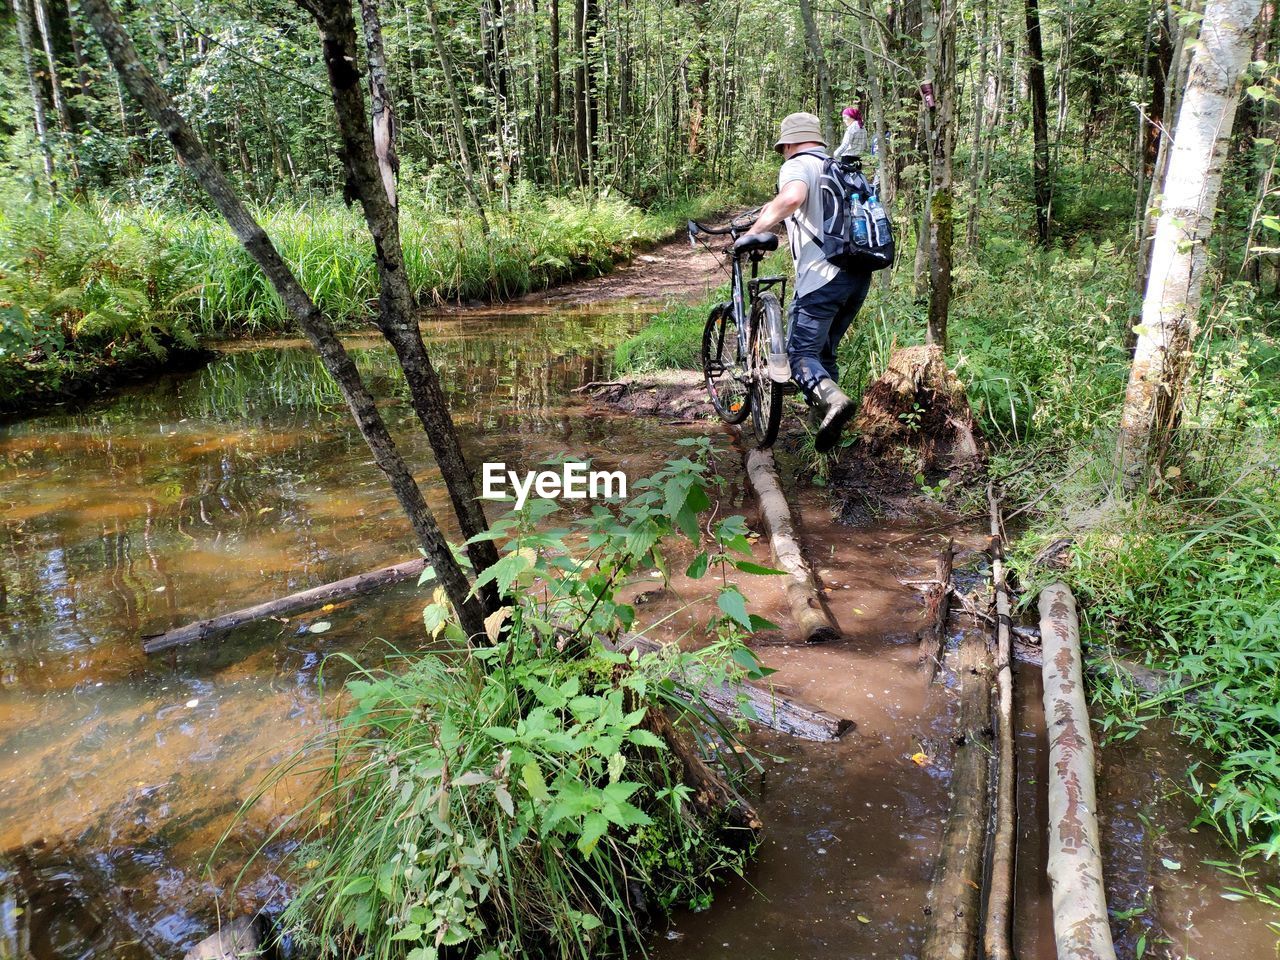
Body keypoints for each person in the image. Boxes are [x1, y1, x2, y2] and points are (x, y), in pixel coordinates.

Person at [736, 111, 873, 453]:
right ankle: (825, 433)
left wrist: (753, 233)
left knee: (799, 357)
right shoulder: (839, 165)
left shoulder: (798, 165)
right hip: (857, 275)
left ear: (790, 143)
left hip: (822, 277)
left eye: (783, 147)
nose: (783, 152)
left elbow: (792, 197)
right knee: (824, 353)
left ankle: (835, 402)